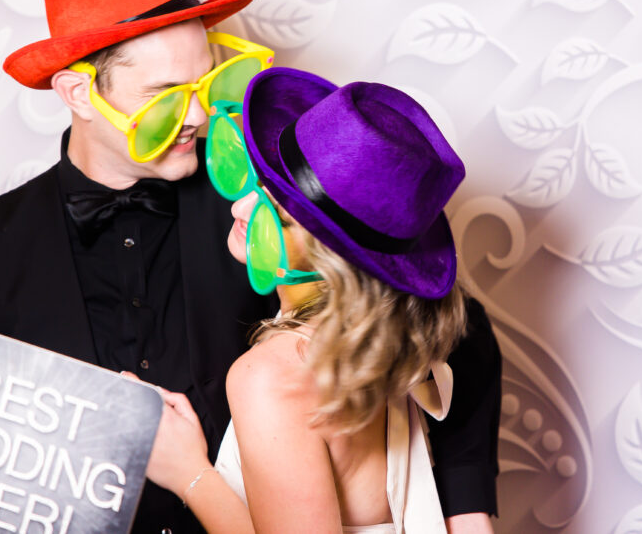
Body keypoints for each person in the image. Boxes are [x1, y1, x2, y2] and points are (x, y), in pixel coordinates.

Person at [0, 0, 501, 532]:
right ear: (79, 94)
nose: (202, 116)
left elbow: (439, 321)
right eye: (164, 95)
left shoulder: (264, 213)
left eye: (206, 84)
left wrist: (466, 512)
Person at [143, 69, 486, 533]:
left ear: (333, 259)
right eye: (256, 183)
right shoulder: (386, 346)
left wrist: (189, 473)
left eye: (279, 217)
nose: (240, 209)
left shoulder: (271, 376)